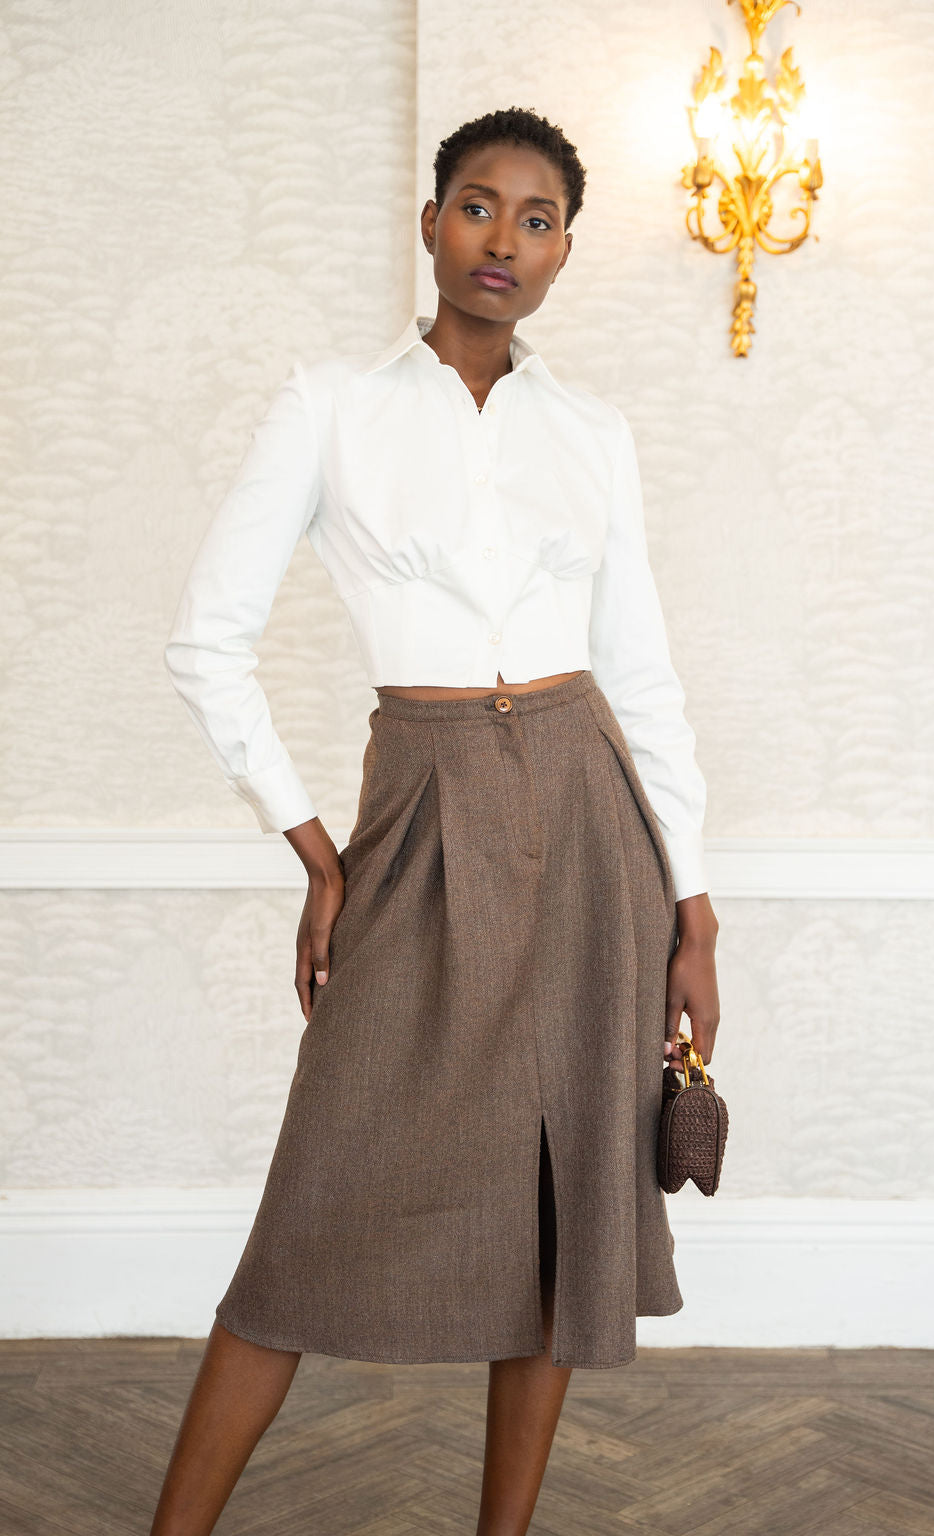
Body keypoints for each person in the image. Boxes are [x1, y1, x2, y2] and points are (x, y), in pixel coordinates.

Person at [152, 104, 721, 1536]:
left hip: (596, 823)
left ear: (566, 255)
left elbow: (642, 673)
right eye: (479, 207)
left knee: (559, 1199)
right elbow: (205, 639)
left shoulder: (594, 433)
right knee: (311, 1206)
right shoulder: (330, 405)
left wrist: (697, 901)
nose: (504, 241)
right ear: (430, 224)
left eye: (537, 221)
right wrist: (311, 843)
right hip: (418, 804)